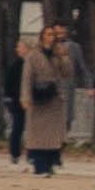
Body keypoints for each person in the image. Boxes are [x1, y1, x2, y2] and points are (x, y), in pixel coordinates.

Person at [24, 24, 76, 176]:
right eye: (47, 34)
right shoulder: (33, 55)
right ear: (42, 37)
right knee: (38, 134)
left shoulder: (57, 55)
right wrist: (25, 96)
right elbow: (27, 76)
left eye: (53, 35)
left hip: (53, 97)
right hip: (38, 96)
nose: (50, 38)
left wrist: (64, 57)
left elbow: (67, 73)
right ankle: (39, 163)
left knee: (53, 135)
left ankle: (51, 161)